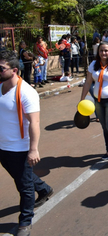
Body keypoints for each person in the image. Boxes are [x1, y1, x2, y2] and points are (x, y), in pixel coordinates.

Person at [0, 50, 53, 236]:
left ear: (14, 70)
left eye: (1, 68)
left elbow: (34, 122)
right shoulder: (0, 87)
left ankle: (25, 221)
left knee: (24, 187)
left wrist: (33, 149)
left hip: (19, 149)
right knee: (21, 176)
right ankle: (45, 189)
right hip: (2, 146)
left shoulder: (26, 93)